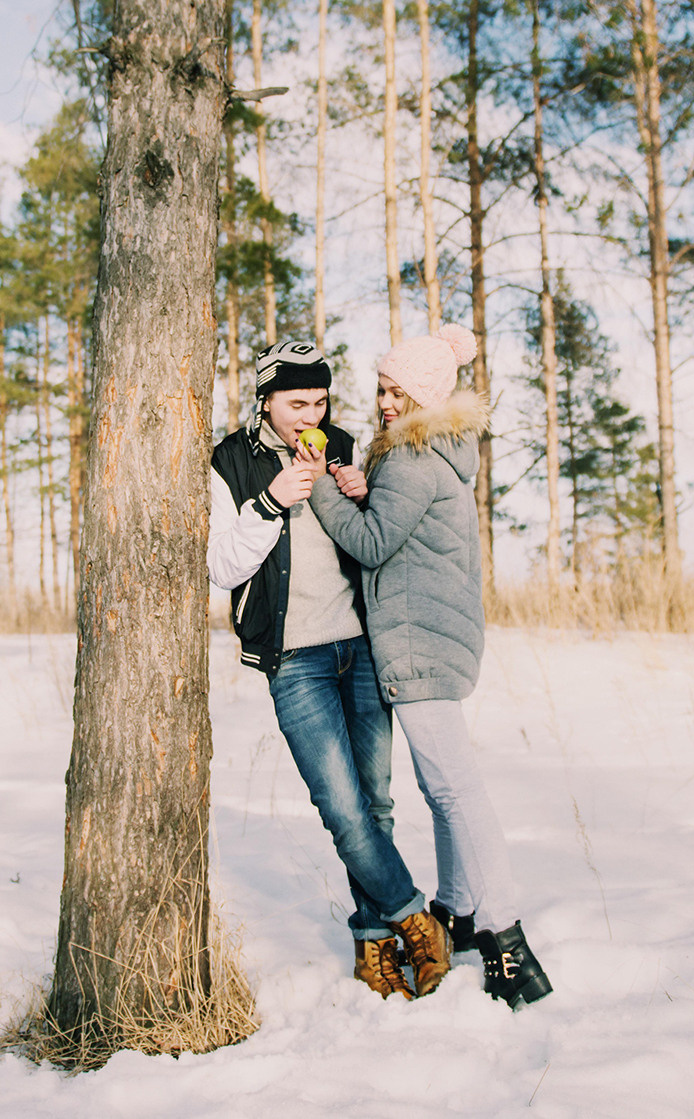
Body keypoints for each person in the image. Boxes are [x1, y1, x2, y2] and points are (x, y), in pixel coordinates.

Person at [308, 323, 555, 1009]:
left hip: (419, 642)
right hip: (436, 637)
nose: (385, 402)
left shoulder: (414, 459)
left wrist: (323, 489)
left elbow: (374, 540)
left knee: (456, 791)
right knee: (444, 787)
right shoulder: (433, 451)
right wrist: (361, 486)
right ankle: (455, 909)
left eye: (398, 391)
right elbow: (397, 524)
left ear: (425, 396)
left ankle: (508, 942)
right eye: (382, 389)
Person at [208, 339, 450, 1000]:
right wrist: (270, 502)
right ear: (266, 400)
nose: (308, 415)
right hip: (295, 659)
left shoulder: (344, 442)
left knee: (376, 803)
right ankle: (416, 920)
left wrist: (360, 492)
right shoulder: (230, 461)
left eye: (318, 401)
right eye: (295, 403)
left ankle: (374, 945)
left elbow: (376, 540)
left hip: (363, 648)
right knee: (342, 808)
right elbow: (221, 566)